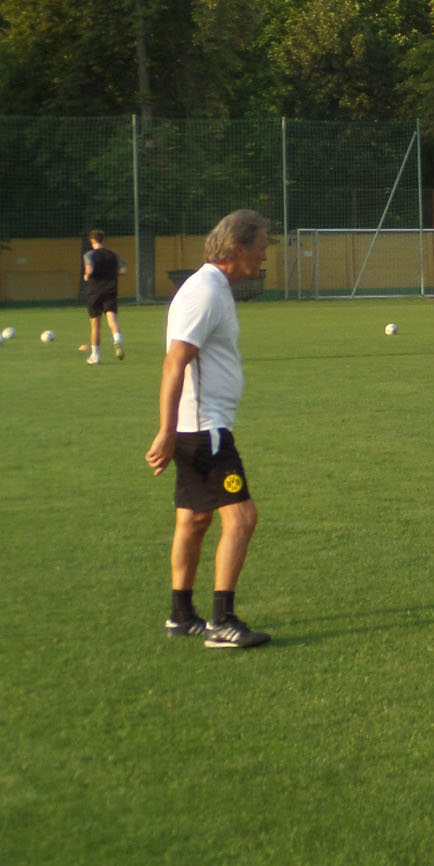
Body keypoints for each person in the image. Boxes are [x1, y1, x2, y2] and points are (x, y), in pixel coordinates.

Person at [144, 209, 272, 647]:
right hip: (204, 430)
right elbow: (175, 362)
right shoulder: (204, 292)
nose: (264, 256)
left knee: (195, 518)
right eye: (260, 248)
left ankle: (181, 615)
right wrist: (166, 431)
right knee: (242, 518)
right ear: (238, 248)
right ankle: (222, 621)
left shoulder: (213, 288)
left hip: (197, 427)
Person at [80, 228, 125, 364]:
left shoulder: (89, 255)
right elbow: (123, 270)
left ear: (92, 240)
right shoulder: (113, 255)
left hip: (94, 292)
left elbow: (90, 269)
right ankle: (117, 340)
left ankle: (96, 356)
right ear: (103, 240)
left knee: (95, 325)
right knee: (112, 320)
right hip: (110, 291)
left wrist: (86, 276)